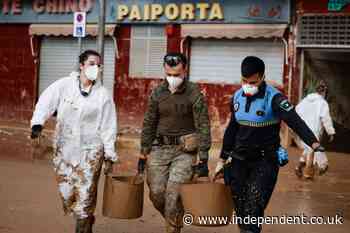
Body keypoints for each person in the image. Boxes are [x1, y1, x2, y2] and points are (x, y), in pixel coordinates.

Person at [214, 56, 324, 233]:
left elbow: (295, 121)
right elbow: (232, 129)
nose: (248, 85)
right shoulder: (236, 97)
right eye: (244, 81)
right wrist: (222, 159)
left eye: (253, 81)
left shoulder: (275, 98)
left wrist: (314, 142)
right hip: (239, 160)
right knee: (241, 208)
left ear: (262, 76)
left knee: (254, 204)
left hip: (265, 161)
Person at [30, 50, 118, 233]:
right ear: (81, 65)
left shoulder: (103, 94)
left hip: (91, 151)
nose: (96, 68)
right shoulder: (64, 85)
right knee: (67, 193)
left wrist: (109, 154)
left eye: (98, 65)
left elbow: (109, 125)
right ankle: (86, 216)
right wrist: (37, 124)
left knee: (85, 195)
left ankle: (84, 223)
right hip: (64, 149)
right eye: (92, 63)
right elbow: (46, 102)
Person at [138, 52, 211, 233]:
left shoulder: (194, 92)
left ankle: (173, 228)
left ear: (185, 71)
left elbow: (203, 124)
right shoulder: (157, 92)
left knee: (173, 196)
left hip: (184, 151)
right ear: (164, 70)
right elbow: (149, 122)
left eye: (177, 75)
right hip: (158, 149)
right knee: (156, 193)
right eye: (169, 74)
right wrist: (143, 151)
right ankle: (176, 218)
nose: (173, 78)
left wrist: (203, 158)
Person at [295, 81, 335, 176]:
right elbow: (326, 118)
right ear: (324, 92)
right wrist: (330, 132)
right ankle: (316, 170)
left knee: (309, 149)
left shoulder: (305, 100)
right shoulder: (323, 103)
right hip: (314, 131)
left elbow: (296, 110)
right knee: (315, 149)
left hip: (303, 129)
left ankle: (299, 167)